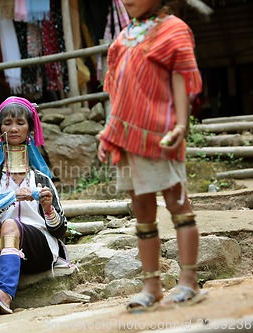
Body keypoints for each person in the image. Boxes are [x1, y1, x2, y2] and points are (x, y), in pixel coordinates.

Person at [97, 0, 207, 312]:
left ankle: (188, 280)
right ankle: (152, 284)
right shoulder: (123, 38)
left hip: (161, 135)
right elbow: (117, 92)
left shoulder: (173, 30)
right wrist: (109, 133)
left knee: (177, 202)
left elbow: (180, 79)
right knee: (142, 209)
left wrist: (181, 126)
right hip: (127, 137)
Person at [0, 96, 69, 314]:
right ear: (0, 129)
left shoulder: (41, 179)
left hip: (39, 251)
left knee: (10, 225)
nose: (14, 129)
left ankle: (4, 292)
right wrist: (9, 200)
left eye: (20, 123)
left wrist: (48, 208)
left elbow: (61, 230)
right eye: (7, 123)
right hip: (4, 250)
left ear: (30, 130)